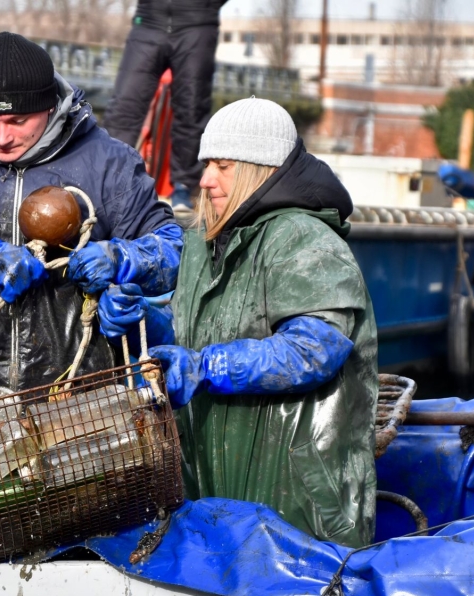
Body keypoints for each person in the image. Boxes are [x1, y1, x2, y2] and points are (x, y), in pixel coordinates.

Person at [0, 31, 182, 414]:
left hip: (78, 404)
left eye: (17, 120)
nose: (2, 137)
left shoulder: (109, 161)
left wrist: (123, 259)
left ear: (48, 106)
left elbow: (172, 249)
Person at [145, 98, 379, 547]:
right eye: (206, 164)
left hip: (297, 507)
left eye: (223, 166)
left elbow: (312, 352)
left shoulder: (303, 237)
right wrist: (144, 319)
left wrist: (205, 368)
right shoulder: (203, 242)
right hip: (219, 495)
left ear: (262, 169)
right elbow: (193, 329)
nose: (206, 179)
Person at [102, 0, 229, 210]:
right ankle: (107, 182)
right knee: (124, 107)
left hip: (197, 22)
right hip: (149, 21)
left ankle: (183, 187)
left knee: (192, 109)